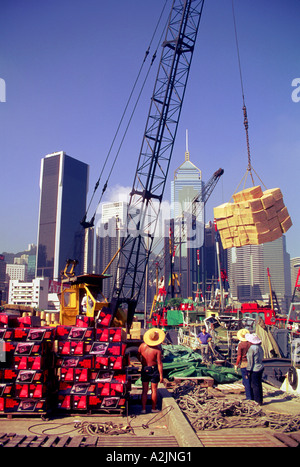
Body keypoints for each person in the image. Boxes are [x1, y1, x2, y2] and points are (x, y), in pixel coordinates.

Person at [138, 328, 165, 414]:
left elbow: (138, 355)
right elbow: (159, 363)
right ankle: (153, 408)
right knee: (154, 390)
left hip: (144, 368)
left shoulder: (142, 346)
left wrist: (142, 362)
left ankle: (143, 409)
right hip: (153, 369)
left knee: (144, 390)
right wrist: (161, 375)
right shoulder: (157, 350)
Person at [245, 333, 264, 405]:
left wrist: (248, 370)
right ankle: (260, 400)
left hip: (255, 369)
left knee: (254, 385)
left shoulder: (252, 348)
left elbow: (250, 361)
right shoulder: (260, 347)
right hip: (261, 367)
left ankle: (256, 401)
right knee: (259, 384)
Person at [235, 328, 252, 400]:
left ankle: (248, 397)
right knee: (251, 380)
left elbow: (239, 356)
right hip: (251, 363)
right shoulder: (251, 343)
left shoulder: (241, 345)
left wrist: (236, 364)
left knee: (246, 380)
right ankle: (252, 395)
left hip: (244, 364)